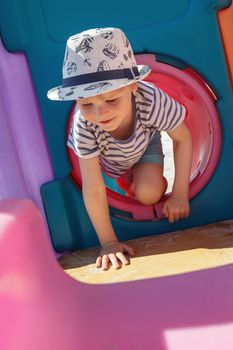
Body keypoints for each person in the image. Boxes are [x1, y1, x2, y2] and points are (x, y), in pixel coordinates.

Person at [47, 27, 192, 271]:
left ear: (133, 86)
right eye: (86, 103)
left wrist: (180, 194)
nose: (99, 112)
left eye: (112, 100)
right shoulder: (83, 123)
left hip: (145, 147)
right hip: (108, 162)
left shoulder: (151, 100)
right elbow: (93, 188)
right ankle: (127, 179)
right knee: (119, 187)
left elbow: (183, 139)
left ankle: (144, 179)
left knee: (148, 195)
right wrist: (109, 242)